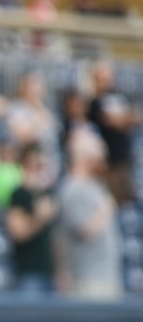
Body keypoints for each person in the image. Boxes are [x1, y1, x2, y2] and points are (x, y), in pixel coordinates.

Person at [55, 128, 124, 300]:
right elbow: (84, 229)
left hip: (106, 276)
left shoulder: (94, 185)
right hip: (89, 279)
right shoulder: (73, 188)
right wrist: (108, 207)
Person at [4, 142, 57, 293]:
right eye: (36, 164)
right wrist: (40, 218)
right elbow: (18, 232)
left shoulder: (46, 194)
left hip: (48, 272)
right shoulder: (19, 194)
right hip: (28, 271)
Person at [87, 60, 140, 206]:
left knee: (129, 201)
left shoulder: (119, 97)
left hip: (125, 159)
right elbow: (114, 121)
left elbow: (136, 118)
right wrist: (126, 119)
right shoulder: (95, 102)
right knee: (114, 201)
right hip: (109, 162)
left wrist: (125, 119)